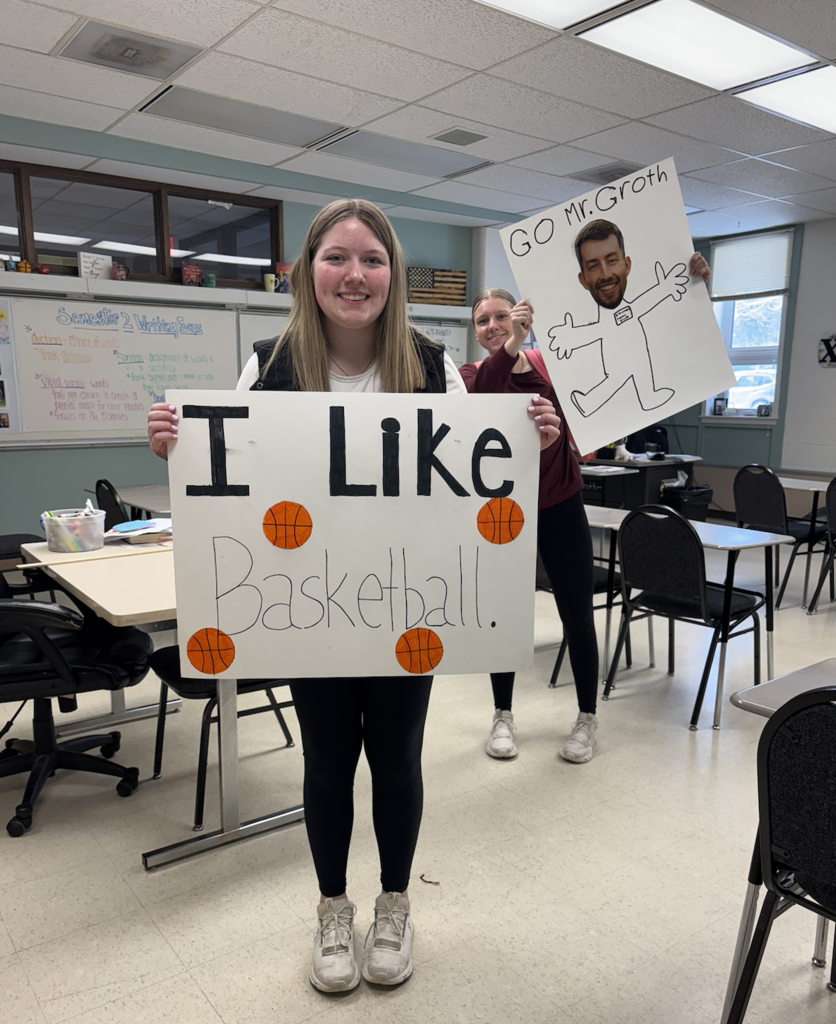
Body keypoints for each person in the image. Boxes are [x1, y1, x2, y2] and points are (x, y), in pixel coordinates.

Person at [147, 200, 561, 994]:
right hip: (311, 611)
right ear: (308, 272)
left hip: (410, 610)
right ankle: (333, 908)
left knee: (398, 759)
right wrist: (180, 445)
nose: (355, 275)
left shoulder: (433, 365)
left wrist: (528, 438)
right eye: (337, 258)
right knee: (328, 762)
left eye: (372, 259)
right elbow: (231, 484)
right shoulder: (268, 366)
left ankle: (395, 904)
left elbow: (476, 491)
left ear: (391, 275)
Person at [462, 247, 709, 764]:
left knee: (576, 611)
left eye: (500, 316)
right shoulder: (471, 376)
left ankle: (586, 719)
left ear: (521, 315)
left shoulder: (552, 364)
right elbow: (485, 393)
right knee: (504, 616)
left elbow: (627, 341)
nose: (491, 326)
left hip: (558, 502)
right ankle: (502, 715)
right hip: (503, 513)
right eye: (482, 321)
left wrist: (690, 290)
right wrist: (511, 346)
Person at [549, 219, 699, 418]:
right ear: (583, 280)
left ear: (627, 265)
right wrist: (571, 338)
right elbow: (596, 331)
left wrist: (675, 287)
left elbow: (641, 306)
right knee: (616, 378)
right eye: (593, 266)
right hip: (618, 357)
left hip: (637, 353)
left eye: (612, 260)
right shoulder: (610, 318)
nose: (605, 274)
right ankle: (589, 402)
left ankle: (647, 396)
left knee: (637, 372)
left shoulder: (626, 307)